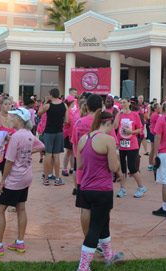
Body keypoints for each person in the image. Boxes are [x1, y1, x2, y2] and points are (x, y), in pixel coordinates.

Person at [0, 107, 45, 258]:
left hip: (15, 178)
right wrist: (28, 152)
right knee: (21, 208)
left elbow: (9, 161)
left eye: (13, 116)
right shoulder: (29, 134)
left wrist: (3, 181)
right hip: (26, 176)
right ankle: (20, 242)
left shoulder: (16, 137)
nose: (11, 118)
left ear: (19, 120)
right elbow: (41, 146)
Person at [75, 109, 124, 270]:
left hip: (85, 188)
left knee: (104, 223)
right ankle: (83, 266)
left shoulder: (84, 138)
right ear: (108, 123)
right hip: (102, 189)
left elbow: (80, 165)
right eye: (113, 126)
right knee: (95, 228)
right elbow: (113, 166)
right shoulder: (108, 140)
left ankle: (109, 256)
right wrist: (116, 158)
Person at [73, 94, 103, 234]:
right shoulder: (103, 123)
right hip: (100, 173)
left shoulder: (79, 123)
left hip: (82, 172)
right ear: (100, 107)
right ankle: (96, 239)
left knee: (85, 209)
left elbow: (74, 145)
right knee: (100, 210)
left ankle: (87, 240)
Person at [114, 98, 147, 199]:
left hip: (132, 144)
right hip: (122, 144)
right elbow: (115, 127)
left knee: (132, 168)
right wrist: (118, 115)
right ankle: (122, 189)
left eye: (124, 102)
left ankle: (141, 187)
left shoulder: (134, 114)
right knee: (122, 168)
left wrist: (131, 132)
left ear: (129, 103)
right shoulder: (119, 114)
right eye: (121, 102)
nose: (123, 104)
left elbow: (140, 129)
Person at [37, 88, 67, 186]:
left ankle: (46, 178)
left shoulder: (48, 105)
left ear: (51, 95)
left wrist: (45, 101)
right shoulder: (64, 105)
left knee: (48, 155)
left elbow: (39, 113)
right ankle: (57, 179)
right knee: (57, 155)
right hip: (59, 132)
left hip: (49, 132)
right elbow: (67, 120)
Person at [62, 95, 79, 177]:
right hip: (68, 134)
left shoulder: (73, 111)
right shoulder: (67, 111)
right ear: (71, 102)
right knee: (68, 152)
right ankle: (64, 168)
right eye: (73, 101)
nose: (74, 103)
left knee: (72, 152)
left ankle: (72, 167)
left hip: (72, 134)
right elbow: (67, 122)